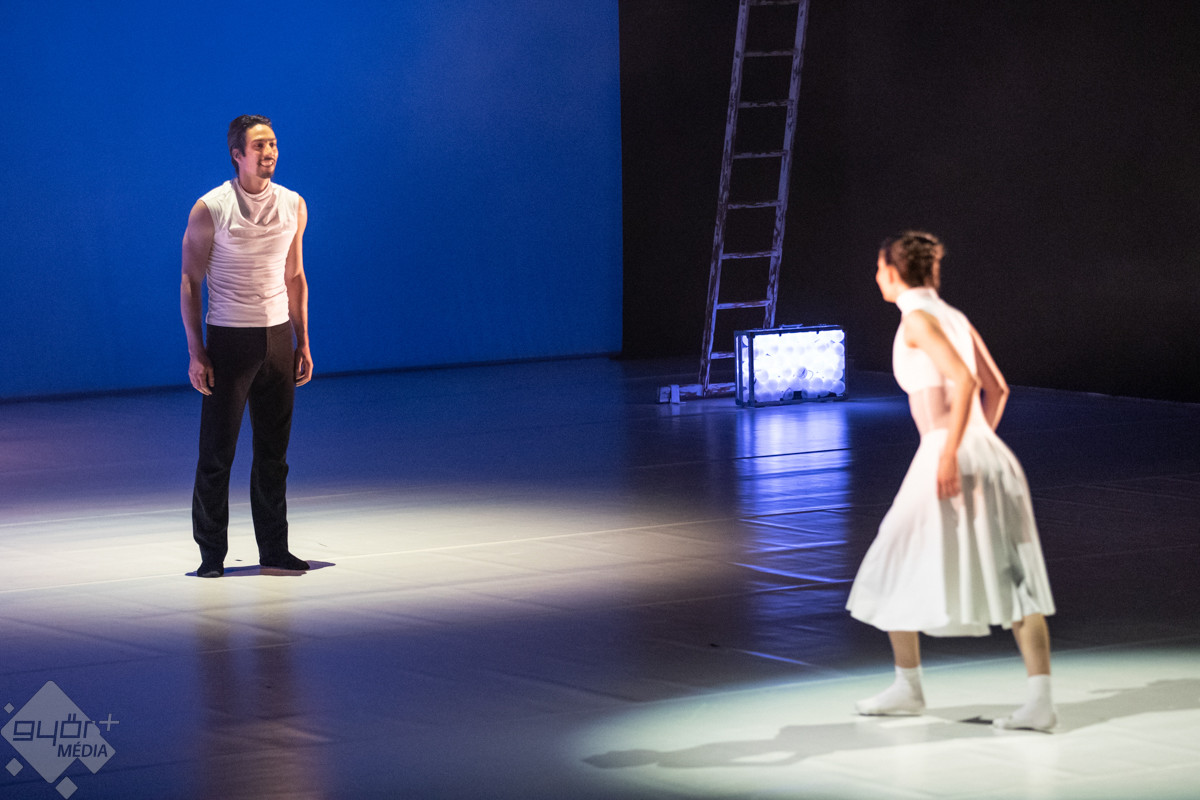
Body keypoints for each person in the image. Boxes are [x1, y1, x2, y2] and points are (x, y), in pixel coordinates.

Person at [845, 231, 1057, 731]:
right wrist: (977, 442)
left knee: (893, 557)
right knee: (1010, 571)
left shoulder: (918, 319)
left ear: (892, 272)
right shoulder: (953, 316)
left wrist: (952, 451)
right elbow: (997, 389)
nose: (877, 277)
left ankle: (910, 685)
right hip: (985, 452)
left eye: (879, 268)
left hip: (948, 450)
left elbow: (967, 381)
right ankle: (1034, 699)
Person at [180, 114, 313, 578]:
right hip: (230, 340)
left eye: (272, 143)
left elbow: (295, 276)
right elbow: (191, 280)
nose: (269, 152)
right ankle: (211, 555)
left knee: (274, 454)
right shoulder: (211, 208)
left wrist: (302, 342)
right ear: (237, 155)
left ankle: (274, 548)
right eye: (259, 146)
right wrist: (197, 351)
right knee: (217, 455)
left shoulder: (293, 204)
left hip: (277, 337)